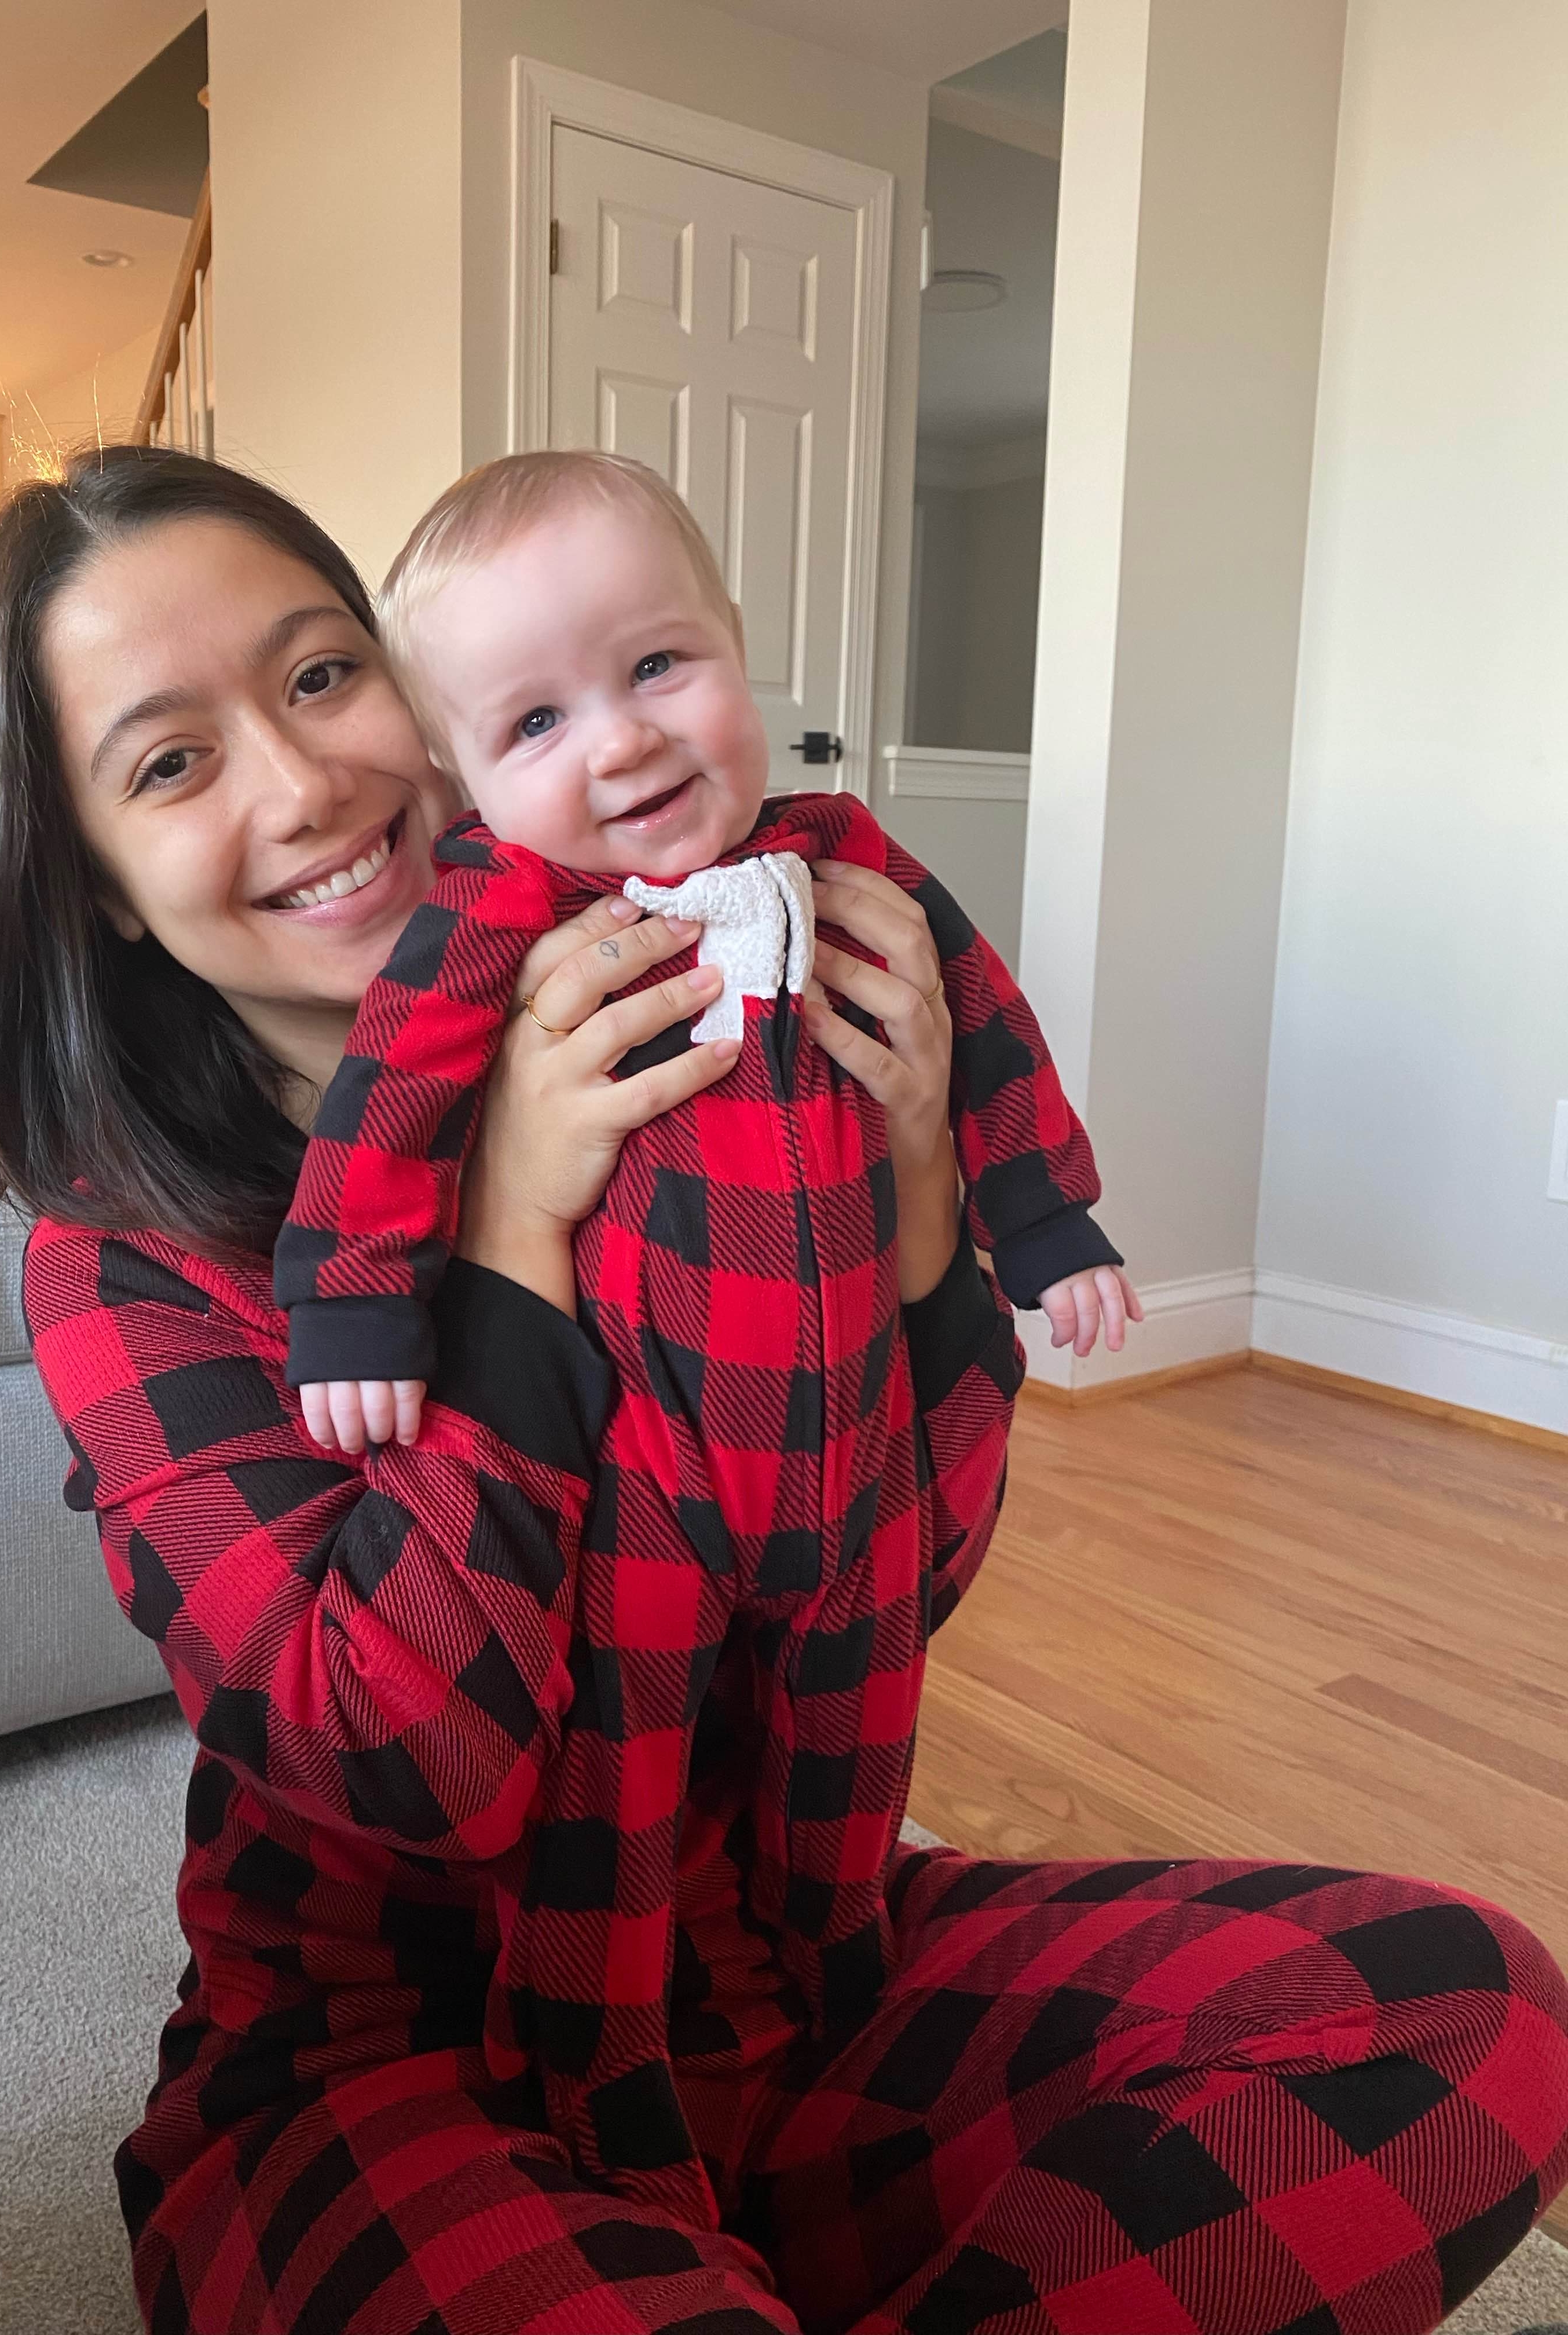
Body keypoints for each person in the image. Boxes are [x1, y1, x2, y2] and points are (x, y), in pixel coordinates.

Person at [0, 444, 1568, 2335]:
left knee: (1470, 2020)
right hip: (389, 2066)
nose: (306, 786)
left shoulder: (720, 1034)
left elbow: (906, 1578)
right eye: (170, 762)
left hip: (792, 1978)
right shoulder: (129, 1260)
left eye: (318, 676)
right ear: (105, 888)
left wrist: (931, 1203)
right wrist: (507, 1255)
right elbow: (408, 1772)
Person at [273, 449, 1142, 2212]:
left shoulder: (851, 866)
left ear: (741, 649)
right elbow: (384, 1108)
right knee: (619, 1795)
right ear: (462, 784)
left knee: (856, 1773)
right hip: (654, 1481)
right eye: (534, 724)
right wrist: (351, 1298)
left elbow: (985, 1027)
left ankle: (837, 1996)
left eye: (661, 666)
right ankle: (597, 2067)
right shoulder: (501, 925)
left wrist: (1037, 1221)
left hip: (855, 1475)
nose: (622, 742)